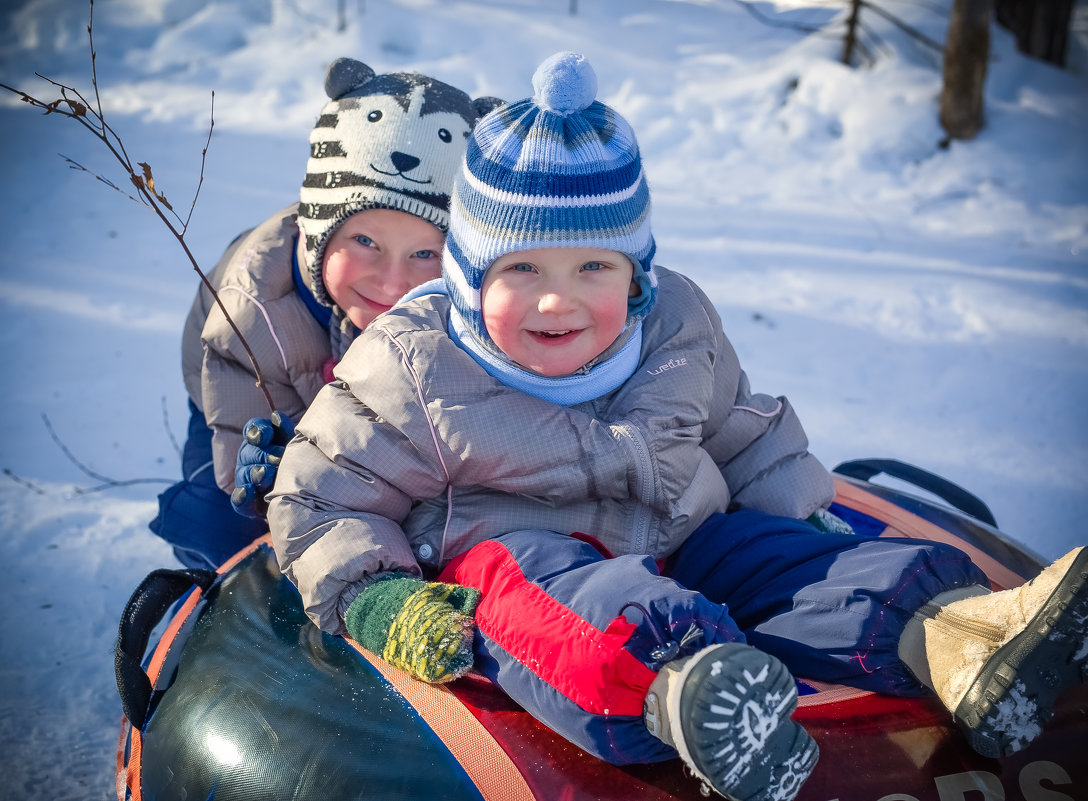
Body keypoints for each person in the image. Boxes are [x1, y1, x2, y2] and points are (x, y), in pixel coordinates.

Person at [267, 52, 1088, 801]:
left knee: (777, 557)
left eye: (595, 266)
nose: (559, 299)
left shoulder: (677, 324)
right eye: (521, 269)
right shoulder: (412, 362)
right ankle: (691, 691)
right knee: (531, 576)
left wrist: (805, 521)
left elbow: (739, 429)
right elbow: (318, 497)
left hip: (684, 537)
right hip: (522, 561)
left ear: (637, 273)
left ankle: (956, 637)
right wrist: (375, 597)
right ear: (469, 274)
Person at [149, 57, 501, 570]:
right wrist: (279, 471)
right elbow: (240, 464)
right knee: (226, 528)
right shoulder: (253, 312)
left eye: (426, 254)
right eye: (364, 241)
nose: (391, 281)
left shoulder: (471, 307)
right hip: (239, 406)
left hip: (366, 436)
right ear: (317, 234)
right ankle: (217, 609)